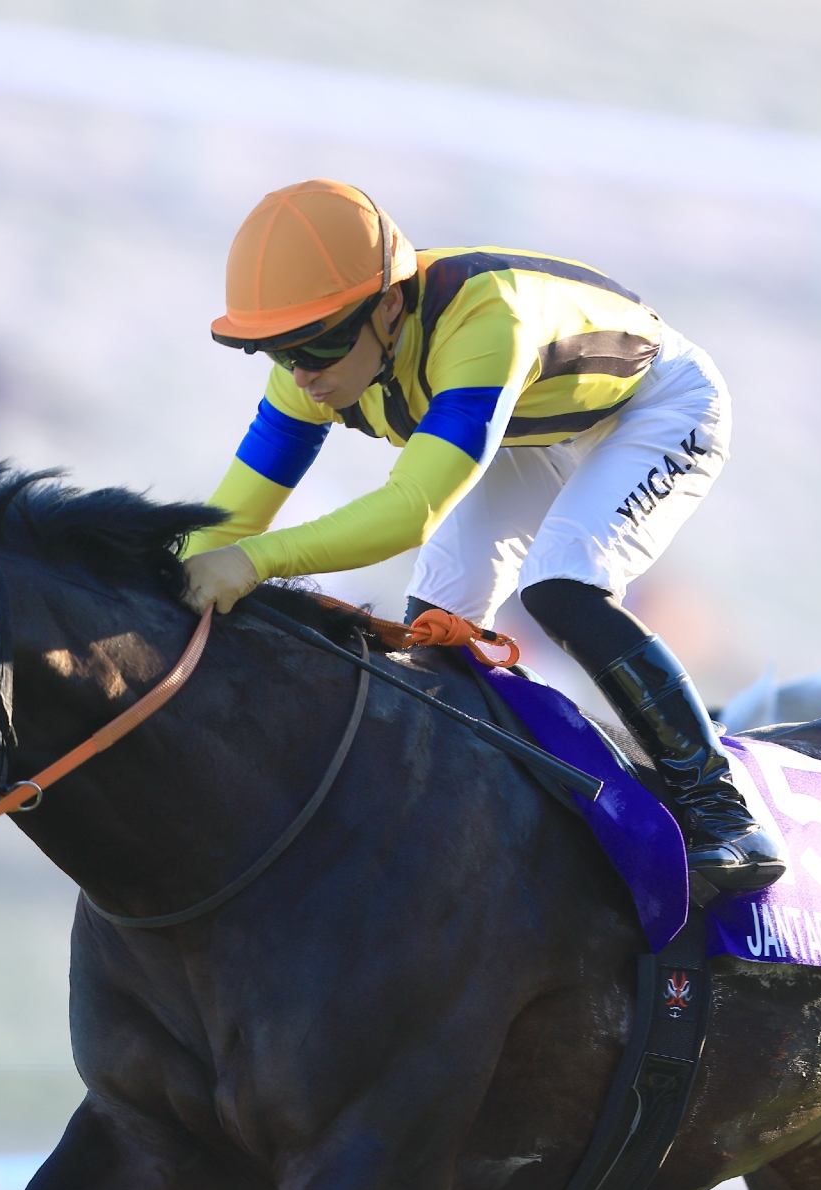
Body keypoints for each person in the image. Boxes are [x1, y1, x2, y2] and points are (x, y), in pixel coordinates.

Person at [179, 179, 786, 896]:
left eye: (321, 344)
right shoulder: (308, 371)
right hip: (537, 422)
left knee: (562, 586)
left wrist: (254, 562)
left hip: (656, 407)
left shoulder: (482, 323)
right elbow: (230, 519)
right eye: (280, 352)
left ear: (392, 304)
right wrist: (167, 571)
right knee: (434, 631)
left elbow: (411, 510)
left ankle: (724, 811)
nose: (305, 375)